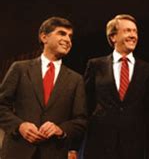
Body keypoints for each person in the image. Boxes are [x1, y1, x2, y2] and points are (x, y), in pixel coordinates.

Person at [0, 17, 87, 159]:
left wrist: (60, 129)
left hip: (53, 153)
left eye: (70, 36)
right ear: (44, 37)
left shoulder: (76, 79)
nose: (68, 40)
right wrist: (19, 126)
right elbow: (1, 105)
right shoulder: (20, 68)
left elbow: (80, 121)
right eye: (61, 33)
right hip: (18, 152)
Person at [82, 14, 149, 159]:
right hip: (100, 145)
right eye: (128, 31)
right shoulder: (95, 65)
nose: (133, 35)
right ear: (113, 37)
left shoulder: (148, 69)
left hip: (134, 147)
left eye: (135, 32)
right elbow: (85, 105)